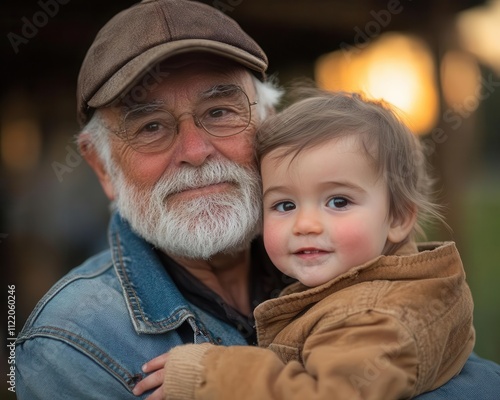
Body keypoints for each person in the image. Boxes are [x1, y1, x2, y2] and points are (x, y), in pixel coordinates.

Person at [14, 1, 500, 399]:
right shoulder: (71, 343)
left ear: (268, 126)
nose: (196, 152)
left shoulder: (359, 266)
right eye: (151, 127)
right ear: (103, 167)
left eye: (220, 110)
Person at [130, 89, 474, 400]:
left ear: (398, 218)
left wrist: (208, 374)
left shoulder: (374, 318)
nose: (305, 225)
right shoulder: (368, 288)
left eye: (338, 202)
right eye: (285, 205)